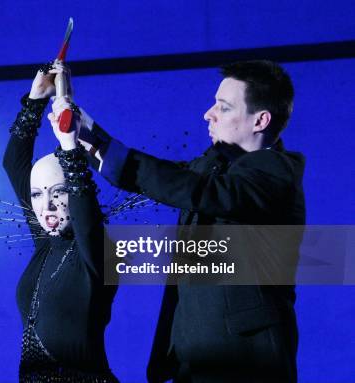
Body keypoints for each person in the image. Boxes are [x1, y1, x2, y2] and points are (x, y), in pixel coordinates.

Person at [53, 60, 304, 382]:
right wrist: (86, 131)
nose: (208, 114)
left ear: (261, 120)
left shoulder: (276, 171)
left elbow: (197, 190)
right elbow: (168, 179)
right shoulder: (212, 167)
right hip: (192, 360)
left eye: (224, 107)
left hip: (244, 363)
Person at [3, 61, 119, 382]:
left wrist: (69, 145)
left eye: (59, 192)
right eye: (37, 195)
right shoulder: (45, 243)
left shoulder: (98, 251)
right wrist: (36, 99)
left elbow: (85, 209)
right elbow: (13, 163)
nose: (47, 206)